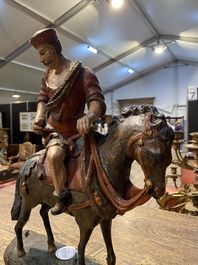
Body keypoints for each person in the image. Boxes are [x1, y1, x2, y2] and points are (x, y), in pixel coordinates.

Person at [30, 28, 106, 215]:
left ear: (53, 48)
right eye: (39, 55)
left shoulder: (82, 73)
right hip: (56, 131)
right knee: (55, 155)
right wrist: (39, 115)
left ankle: (101, 190)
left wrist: (89, 117)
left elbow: (96, 101)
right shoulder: (47, 75)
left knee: (102, 153)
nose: (41, 59)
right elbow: (42, 99)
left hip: (78, 130)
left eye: (42, 53)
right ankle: (61, 195)